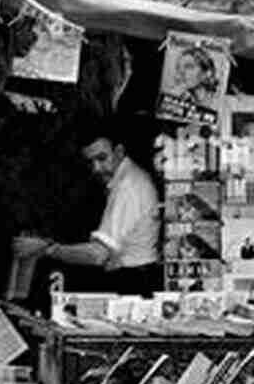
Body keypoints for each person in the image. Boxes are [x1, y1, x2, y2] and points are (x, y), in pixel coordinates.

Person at [16, 124, 162, 298]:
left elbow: (98, 255)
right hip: (134, 275)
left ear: (119, 151)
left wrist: (47, 249)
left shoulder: (128, 187)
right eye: (90, 161)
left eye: (102, 158)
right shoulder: (126, 179)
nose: (96, 169)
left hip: (134, 280)